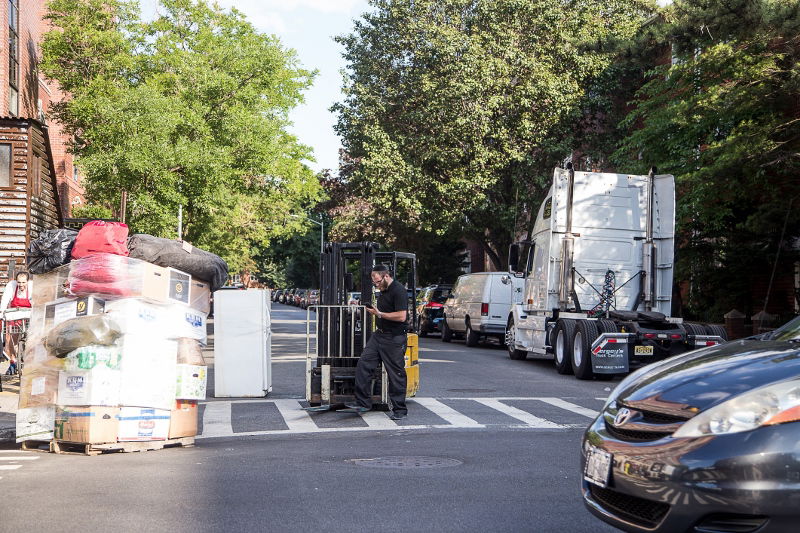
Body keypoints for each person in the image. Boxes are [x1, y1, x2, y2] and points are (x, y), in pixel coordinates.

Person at [347, 264, 409, 420]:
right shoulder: (384, 290)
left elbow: (401, 316)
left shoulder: (399, 290)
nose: (376, 284)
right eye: (374, 282)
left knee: (396, 374)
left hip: (394, 338)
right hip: (379, 336)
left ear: (386, 276)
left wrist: (379, 314)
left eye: (377, 281)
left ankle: (399, 409)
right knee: (364, 364)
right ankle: (363, 402)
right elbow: (383, 310)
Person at [0, 271, 32, 374]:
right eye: (19, 282)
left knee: (32, 339)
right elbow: (5, 300)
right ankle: (13, 362)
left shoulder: (31, 287)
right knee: (10, 339)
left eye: (23, 282)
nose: (21, 285)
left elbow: (36, 302)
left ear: (27, 281)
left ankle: (30, 362)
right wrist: (1, 313)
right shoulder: (12, 287)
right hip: (15, 314)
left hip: (28, 315)